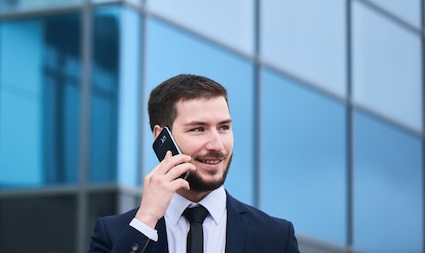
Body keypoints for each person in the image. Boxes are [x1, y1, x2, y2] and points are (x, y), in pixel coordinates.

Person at [88, 74, 299, 253]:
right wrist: (145, 221)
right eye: (198, 129)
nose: (217, 145)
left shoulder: (277, 238)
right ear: (162, 138)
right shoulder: (114, 233)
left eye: (224, 127)